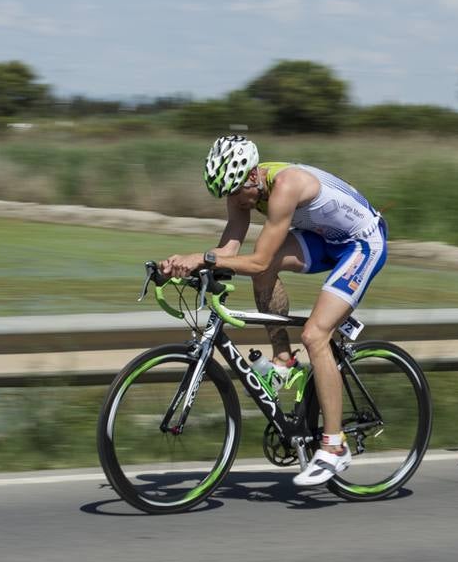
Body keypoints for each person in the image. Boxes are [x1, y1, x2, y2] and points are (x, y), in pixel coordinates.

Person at [160, 135, 388, 487]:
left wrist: (201, 260)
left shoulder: (285, 185)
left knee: (315, 334)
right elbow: (229, 249)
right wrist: (186, 265)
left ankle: (334, 446)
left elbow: (258, 259)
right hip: (325, 239)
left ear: (252, 177)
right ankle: (283, 360)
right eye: (227, 195)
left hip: (361, 242)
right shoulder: (240, 191)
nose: (235, 201)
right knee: (261, 271)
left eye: (237, 192)